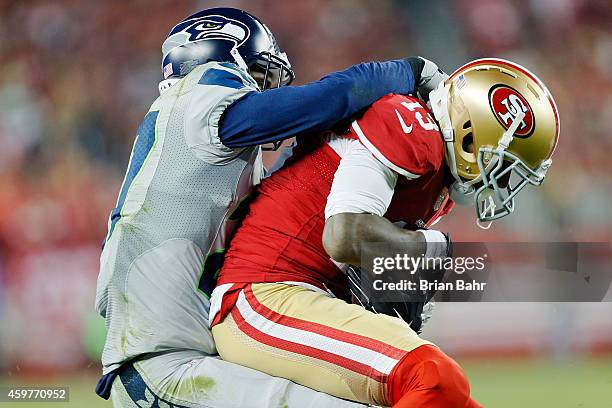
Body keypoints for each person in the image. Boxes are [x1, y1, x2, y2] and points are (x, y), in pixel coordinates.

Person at [94, 6, 447, 408]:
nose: (265, 89)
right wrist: (408, 71)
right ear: (226, 53)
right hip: (163, 366)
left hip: (181, 354)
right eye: (263, 74)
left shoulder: (198, 149)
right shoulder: (196, 99)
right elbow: (333, 96)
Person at [210, 58, 560, 407]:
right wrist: (423, 249)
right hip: (264, 296)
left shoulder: (435, 181)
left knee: (456, 401)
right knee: (431, 376)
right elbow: (344, 235)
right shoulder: (410, 123)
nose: (499, 183)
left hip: (301, 298)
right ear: (470, 132)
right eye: (501, 165)